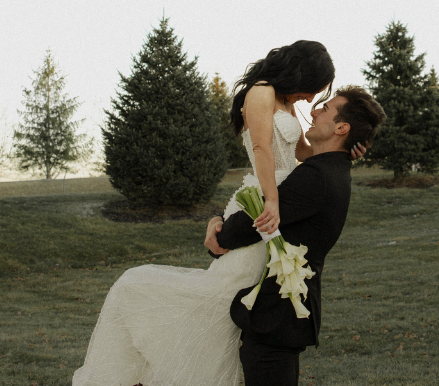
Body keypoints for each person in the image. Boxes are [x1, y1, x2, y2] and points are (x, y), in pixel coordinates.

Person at [71, 41, 373, 386]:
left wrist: (347, 153)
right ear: (301, 74)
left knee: (227, 305)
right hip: (266, 200)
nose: (309, 100)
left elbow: (305, 153)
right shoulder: (261, 93)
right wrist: (271, 201)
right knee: (202, 297)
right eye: (312, 90)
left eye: (320, 98)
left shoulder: (288, 104)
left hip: (276, 210)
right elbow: (262, 148)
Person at [207, 85, 385, 386]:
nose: (314, 110)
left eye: (325, 109)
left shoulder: (316, 177)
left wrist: (218, 234)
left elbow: (257, 220)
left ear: (342, 128)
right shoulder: (332, 169)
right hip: (284, 316)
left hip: (277, 315)